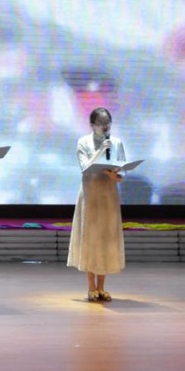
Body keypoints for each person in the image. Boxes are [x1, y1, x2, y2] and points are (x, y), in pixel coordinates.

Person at [67, 107, 126, 302]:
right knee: (91, 238)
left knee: (106, 238)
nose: (105, 126)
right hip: (91, 195)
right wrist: (101, 150)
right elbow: (84, 167)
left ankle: (101, 287)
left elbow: (122, 173)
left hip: (109, 195)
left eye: (108, 122)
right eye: (101, 123)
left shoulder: (117, 142)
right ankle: (91, 286)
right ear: (92, 125)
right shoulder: (83, 142)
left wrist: (116, 175)